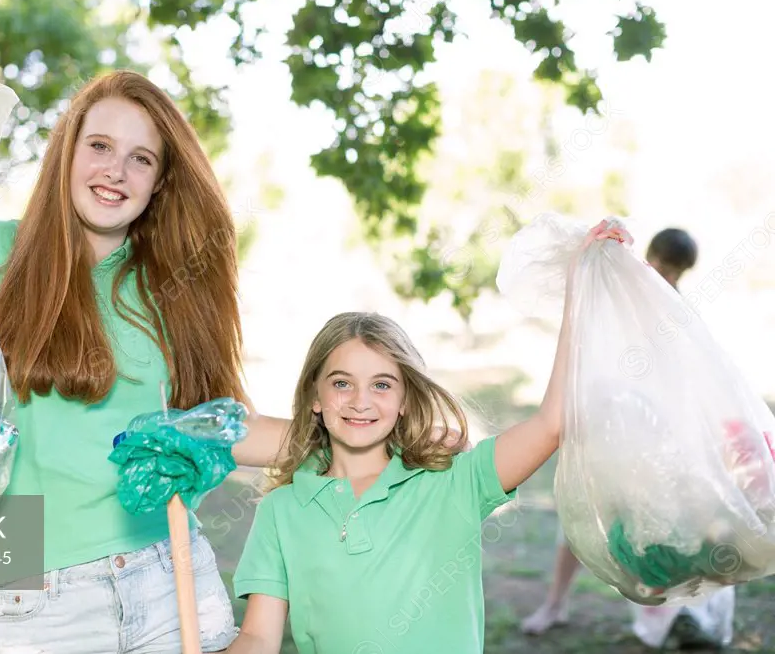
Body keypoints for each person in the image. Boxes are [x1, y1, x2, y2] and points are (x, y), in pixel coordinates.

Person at [0, 69, 296, 653]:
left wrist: (376, 433)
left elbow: (220, 427)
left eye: (142, 159)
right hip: (39, 606)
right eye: (99, 146)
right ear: (66, 152)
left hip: (172, 584)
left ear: (161, 183)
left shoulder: (175, 287)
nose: (115, 170)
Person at [223, 221, 629, 654]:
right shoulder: (281, 511)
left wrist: (582, 288)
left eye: (381, 385)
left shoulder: (454, 482)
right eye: (342, 383)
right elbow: (258, 637)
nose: (361, 401)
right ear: (315, 397)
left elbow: (551, 423)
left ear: (404, 400)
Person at [520, 227, 736, 650]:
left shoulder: (675, 308)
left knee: (657, 524)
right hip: (607, 418)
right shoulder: (617, 290)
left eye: (678, 273)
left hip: (651, 430)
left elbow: (686, 376)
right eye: (664, 267)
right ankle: (555, 603)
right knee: (581, 517)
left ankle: (681, 613)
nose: (669, 278)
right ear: (649, 257)